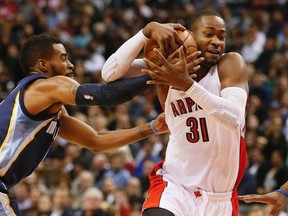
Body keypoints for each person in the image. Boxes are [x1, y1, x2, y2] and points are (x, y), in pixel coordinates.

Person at [0, 21, 185, 215]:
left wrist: (151, 128)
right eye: (63, 58)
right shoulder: (43, 86)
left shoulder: (47, 110)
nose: (70, 64)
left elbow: (95, 141)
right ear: (43, 65)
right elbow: (106, 95)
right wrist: (160, 73)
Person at [102, 10, 249, 216]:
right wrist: (146, 31)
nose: (216, 42)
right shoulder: (165, 65)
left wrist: (187, 85)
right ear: (188, 35)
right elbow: (109, 73)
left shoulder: (230, 63)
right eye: (208, 34)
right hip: (176, 186)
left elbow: (235, 118)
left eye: (221, 36)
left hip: (220, 197)